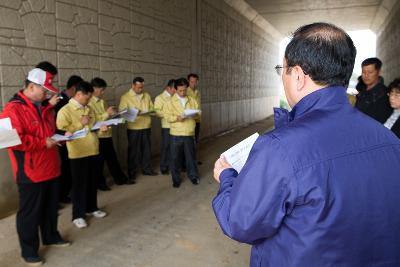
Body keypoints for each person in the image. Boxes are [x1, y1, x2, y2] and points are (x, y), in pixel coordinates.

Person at [212, 22, 400, 267]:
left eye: (283, 69)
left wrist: (227, 177)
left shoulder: (279, 148)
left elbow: (240, 223)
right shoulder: (390, 142)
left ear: (298, 75)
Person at [0, 68, 70, 266]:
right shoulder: (12, 110)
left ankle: (51, 235)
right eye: (44, 90)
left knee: (50, 207)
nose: (47, 94)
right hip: (31, 172)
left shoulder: (45, 108)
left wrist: (61, 137)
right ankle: (29, 251)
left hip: (51, 166)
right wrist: (42, 143)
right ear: (31, 87)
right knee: (30, 213)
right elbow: (10, 140)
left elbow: (49, 132)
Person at [56, 81, 108, 229]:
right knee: (79, 185)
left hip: (93, 149)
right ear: (78, 94)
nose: (89, 100)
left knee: (93, 181)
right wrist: (80, 123)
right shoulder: (65, 111)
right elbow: (62, 133)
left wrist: (101, 129)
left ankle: (92, 208)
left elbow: (92, 127)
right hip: (78, 153)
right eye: (87, 97)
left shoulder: (89, 108)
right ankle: (78, 215)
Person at [89, 77, 128, 189]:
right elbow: (94, 120)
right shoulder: (89, 103)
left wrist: (114, 114)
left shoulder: (103, 101)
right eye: (101, 90)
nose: (103, 92)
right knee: (99, 162)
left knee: (112, 158)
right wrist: (107, 113)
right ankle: (101, 184)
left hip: (107, 134)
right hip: (98, 136)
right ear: (94, 89)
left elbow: (106, 116)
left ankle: (120, 179)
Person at [119, 77, 157, 184]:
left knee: (146, 149)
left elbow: (152, 109)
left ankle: (147, 169)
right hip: (134, 128)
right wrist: (136, 112)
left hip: (146, 126)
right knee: (133, 152)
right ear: (133, 85)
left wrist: (149, 111)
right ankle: (131, 173)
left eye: (142, 87)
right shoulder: (125, 97)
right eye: (139, 87)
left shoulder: (147, 95)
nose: (141, 89)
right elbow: (122, 112)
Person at [165, 78, 200, 188]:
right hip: (176, 133)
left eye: (184, 90)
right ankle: (176, 179)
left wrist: (195, 114)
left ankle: (193, 176)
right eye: (180, 90)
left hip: (189, 133)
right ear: (175, 90)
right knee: (175, 158)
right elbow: (167, 116)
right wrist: (177, 117)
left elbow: (198, 114)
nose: (183, 93)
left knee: (191, 157)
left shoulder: (192, 100)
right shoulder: (170, 102)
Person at [54, 75, 84, 203]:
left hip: (74, 136)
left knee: (71, 167)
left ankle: (68, 192)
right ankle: (62, 195)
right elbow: (57, 123)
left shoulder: (72, 101)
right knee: (65, 167)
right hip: (63, 138)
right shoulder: (59, 101)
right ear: (72, 88)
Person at [355, 57, 392, 122]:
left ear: (379, 72)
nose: (366, 75)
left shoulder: (385, 95)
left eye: (370, 72)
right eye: (363, 72)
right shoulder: (362, 92)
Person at [154, 79, 176, 175]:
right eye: (174, 89)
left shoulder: (175, 97)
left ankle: (173, 166)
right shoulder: (160, 98)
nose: (175, 91)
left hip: (176, 126)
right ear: (168, 88)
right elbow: (157, 112)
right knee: (166, 146)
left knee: (175, 147)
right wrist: (169, 114)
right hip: (166, 126)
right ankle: (164, 166)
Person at [187, 73, 202, 165]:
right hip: (189, 120)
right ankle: (189, 161)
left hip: (197, 120)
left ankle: (194, 159)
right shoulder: (185, 92)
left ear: (197, 82)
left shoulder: (198, 92)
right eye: (191, 81)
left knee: (195, 141)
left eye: (195, 82)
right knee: (189, 142)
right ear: (188, 81)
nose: (193, 83)